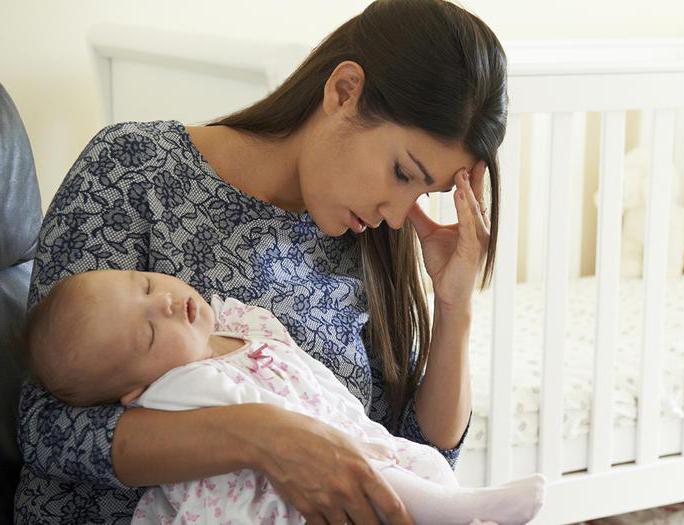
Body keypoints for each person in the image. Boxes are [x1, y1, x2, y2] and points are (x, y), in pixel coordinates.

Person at [15, 0, 508, 523]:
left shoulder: (368, 238)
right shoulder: (134, 167)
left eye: (423, 192)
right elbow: (47, 428)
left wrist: (454, 308)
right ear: (345, 92)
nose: (396, 214)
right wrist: (261, 436)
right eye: (403, 172)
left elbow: (415, 458)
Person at [24, 268, 545, 525]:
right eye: (146, 335)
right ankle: (459, 511)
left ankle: (457, 507)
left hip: (343, 434)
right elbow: (40, 430)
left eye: (143, 286)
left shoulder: (237, 320)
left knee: (421, 462)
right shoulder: (176, 388)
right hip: (278, 495)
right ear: (134, 390)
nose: (162, 304)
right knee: (380, 483)